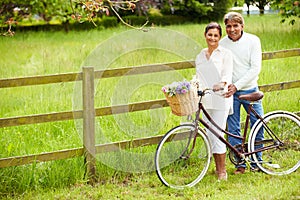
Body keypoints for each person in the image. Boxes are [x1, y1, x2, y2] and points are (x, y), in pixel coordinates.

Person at [220, 12, 264, 174]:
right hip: (231, 93)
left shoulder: (253, 41)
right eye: (229, 26)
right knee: (233, 129)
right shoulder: (222, 44)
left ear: (242, 26)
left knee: (258, 126)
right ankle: (240, 163)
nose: (232, 29)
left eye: (235, 26)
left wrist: (237, 86)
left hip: (250, 90)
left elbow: (255, 69)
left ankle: (257, 162)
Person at [195, 22, 233, 181]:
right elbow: (198, 76)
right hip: (206, 99)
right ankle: (216, 167)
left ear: (220, 37)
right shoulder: (200, 55)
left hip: (220, 99)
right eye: (210, 35)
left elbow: (227, 75)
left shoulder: (225, 54)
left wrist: (221, 84)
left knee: (217, 134)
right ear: (205, 35)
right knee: (210, 135)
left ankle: (222, 171)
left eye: (216, 35)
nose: (212, 38)